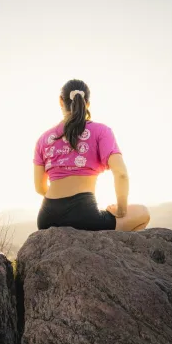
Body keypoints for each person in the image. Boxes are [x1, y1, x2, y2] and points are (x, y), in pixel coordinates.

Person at [33, 79, 150, 231]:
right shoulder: (101, 131)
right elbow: (121, 174)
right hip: (85, 215)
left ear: (61, 101)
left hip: (47, 217)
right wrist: (121, 209)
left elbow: (39, 187)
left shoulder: (43, 139)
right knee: (143, 213)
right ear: (87, 103)